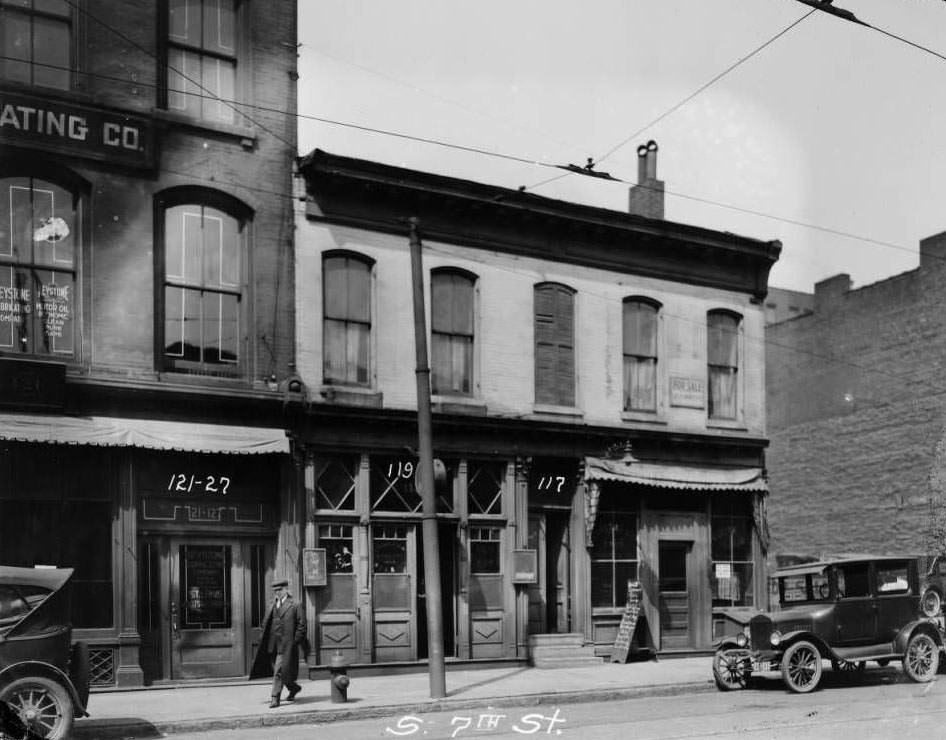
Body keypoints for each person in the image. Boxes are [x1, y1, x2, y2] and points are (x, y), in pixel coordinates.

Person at [249, 577, 308, 708]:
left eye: (280, 590)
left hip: (286, 645)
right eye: (275, 590)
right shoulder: (271, 604)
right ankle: (294, 688)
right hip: (272, 644)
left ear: (286, 589)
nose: (277, 593)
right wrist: (262, 639)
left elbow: (302, 625)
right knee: (282, 672)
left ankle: (275, 697)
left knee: (279, 671)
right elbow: (266, 623)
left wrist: (295, 641)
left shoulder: (295, 604)